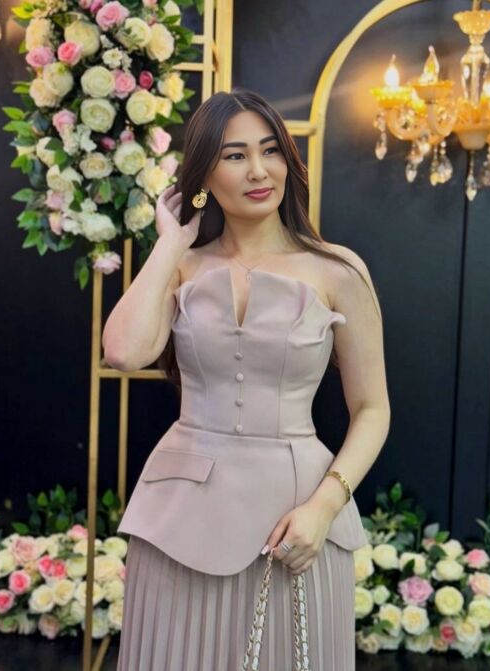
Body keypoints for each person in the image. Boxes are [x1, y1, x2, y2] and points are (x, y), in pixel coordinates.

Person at [103, 87, 391, 670]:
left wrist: (324, 507)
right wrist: (170, 243)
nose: (259, 170)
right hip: (178, 519)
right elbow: (125, 352)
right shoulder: (182, 265)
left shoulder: (338, 269)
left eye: (270, 150)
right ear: (204, 174)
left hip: (296, 520)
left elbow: (372, 409)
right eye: (235, 155)